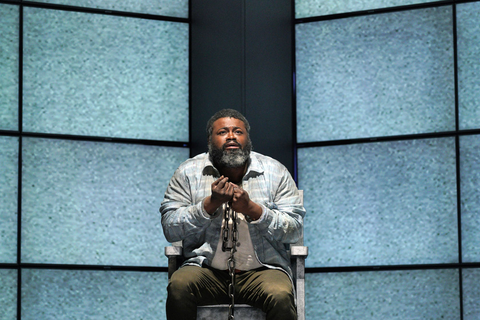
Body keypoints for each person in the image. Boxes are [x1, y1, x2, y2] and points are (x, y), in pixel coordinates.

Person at [160, 108, 305, 320]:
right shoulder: (188, 172)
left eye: (238, 131)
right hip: (206, 271)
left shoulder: (275, 171)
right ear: (210, 140)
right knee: (179, 286)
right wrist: (209, 205)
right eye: (222, 132)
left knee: (280, 295)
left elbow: (294, 229)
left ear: (248, 138)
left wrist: (253, 210)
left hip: (262, 270)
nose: (230, 136)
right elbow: (170, 227)